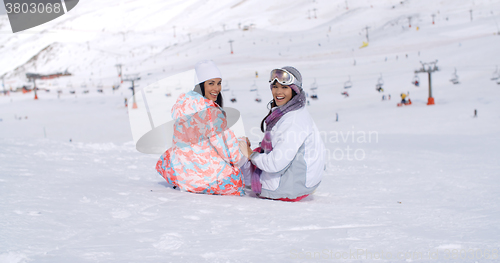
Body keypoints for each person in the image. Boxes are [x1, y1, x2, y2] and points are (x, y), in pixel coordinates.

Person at [156, 60, 247, 196]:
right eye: (211, 83)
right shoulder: (210, 112)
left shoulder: (183, 105)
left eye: (219, 83)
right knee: (240, 166)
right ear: (200, 84)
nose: (216, 88)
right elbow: (232, 154)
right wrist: (243, 145)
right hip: (207, 180)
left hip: (184, 177)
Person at [239, 67, 325, 201]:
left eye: (284, 87)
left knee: (240, 163)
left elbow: (275, 163)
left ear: (294, 90)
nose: (278, 92)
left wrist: (250, 154)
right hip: (301, 182)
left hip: (286, 189)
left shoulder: (293, 121)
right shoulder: (293, 111)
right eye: (275, 86)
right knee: (251, 155)